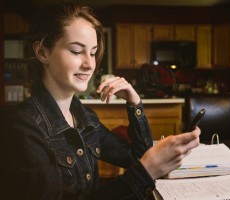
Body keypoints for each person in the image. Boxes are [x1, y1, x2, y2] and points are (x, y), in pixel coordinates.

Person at [1, 2, 200, 200]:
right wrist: (145, 170)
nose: (89, 64)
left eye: (93, 52)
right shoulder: (22, 127)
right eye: (77, 51)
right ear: (42, 52)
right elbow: (144, 167)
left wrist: (135, 104)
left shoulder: (86, 118)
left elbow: (137, 158)